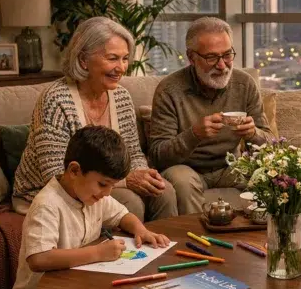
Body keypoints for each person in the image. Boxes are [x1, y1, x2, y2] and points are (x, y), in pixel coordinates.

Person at [11, 126, 170, 289]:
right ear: (74, 171)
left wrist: (140, 230)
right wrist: (97, 253)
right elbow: (38, 259)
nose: (107, 193)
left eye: (111, 185)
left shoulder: (91, 195)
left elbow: (122, 216)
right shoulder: (48, 204)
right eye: (103, 184)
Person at [12, 16, 178, 221]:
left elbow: (133, 153)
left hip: (103, 184)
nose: (122, 67)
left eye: (125, 58)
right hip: (48, 191)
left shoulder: (121, 97)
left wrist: (144, 174)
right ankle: (122, 253)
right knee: (129, 201)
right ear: (83, 60)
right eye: (112, 58)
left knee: (165, 192)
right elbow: (57, 174)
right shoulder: (56, 99)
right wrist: (126, 181)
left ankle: (165, 250)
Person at [149, 17, 275, 215]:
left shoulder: (245, 84)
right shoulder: (169, 90)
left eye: (227, 55)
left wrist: (253, 134)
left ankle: (260, 240)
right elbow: (158, 155)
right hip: (187, 169)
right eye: (211, 57)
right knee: (181, 180)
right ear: (191, 57)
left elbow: (270, 144)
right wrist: (194, 135)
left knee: (271, 175)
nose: (222, 65)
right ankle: (193, 241)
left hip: (230, 165)